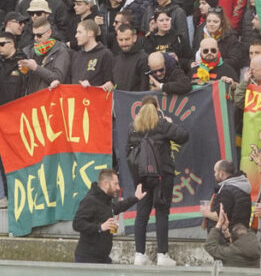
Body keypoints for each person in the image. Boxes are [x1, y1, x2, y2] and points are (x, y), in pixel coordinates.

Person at [128, 95, 189, 267]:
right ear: (156, 108)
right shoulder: (162, 125)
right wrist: (170, 123)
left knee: (141, 215)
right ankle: (162, 255)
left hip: (141, 177)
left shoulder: (133, 127)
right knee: (162, 213)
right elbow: (184, 136)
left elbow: (128, 153)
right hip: (162, 176)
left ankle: (139, 255)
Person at [72, 168, 145, 264]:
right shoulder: (90, 200)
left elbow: (116, 208)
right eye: (115, 184)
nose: (118, 187)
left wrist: (135, 198)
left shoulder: (105, 200)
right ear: (106, 184)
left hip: (103, 258)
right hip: (88, 259)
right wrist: (100, 227)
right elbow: (77, 223)